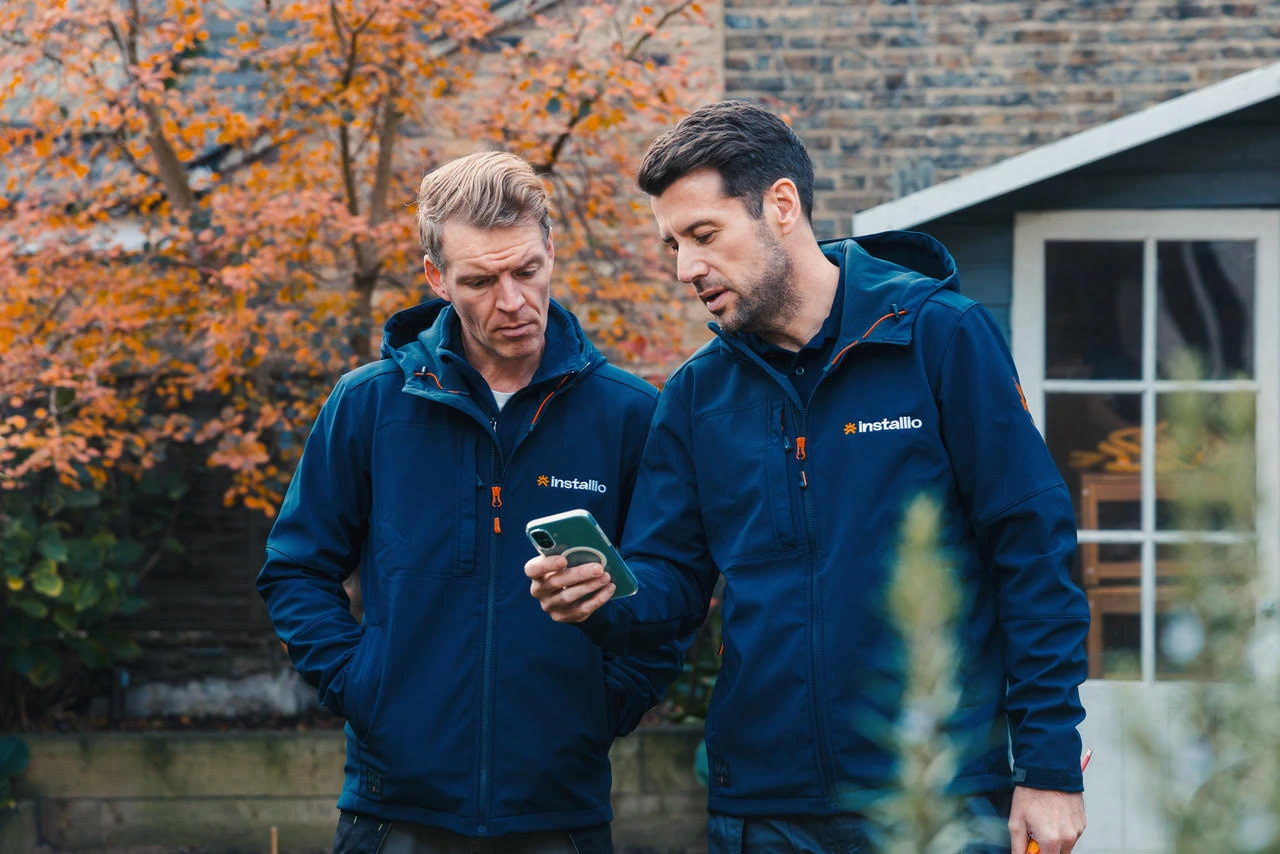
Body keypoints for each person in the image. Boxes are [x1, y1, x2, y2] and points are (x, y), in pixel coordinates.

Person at [526, 101, 1090, 854]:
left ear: (780, 206)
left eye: (703, 235)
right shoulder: (695, 396)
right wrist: (603, 597)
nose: (685, 268)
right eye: (671, 244)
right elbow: (669, 582)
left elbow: (1034, 553)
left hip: (932, 797)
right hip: (762, 810)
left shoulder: (940, 339)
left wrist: (1050, 766)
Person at [258, 151, 686, 854]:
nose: (512, 301)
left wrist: (606, 702)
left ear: (551, 249)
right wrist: (365, 688)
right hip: (393, 810)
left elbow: (673, 587)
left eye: (526, 270)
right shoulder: (367, 406)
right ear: (436, 277)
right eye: (481, 281)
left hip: (560, 812)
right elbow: (295, 571)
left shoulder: (631, 414)